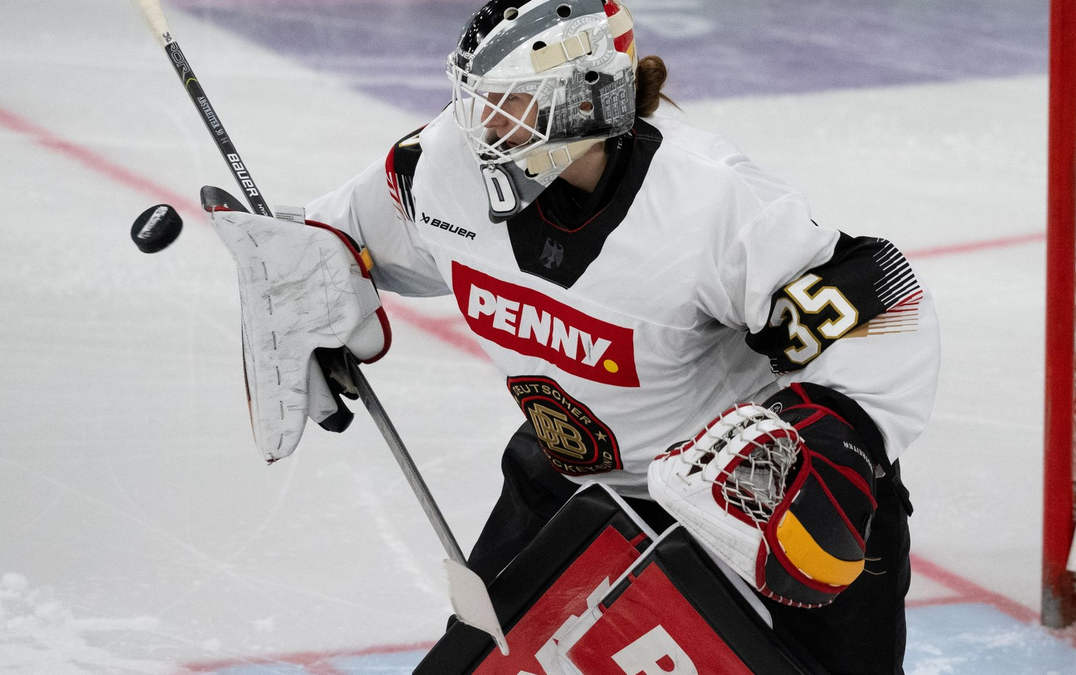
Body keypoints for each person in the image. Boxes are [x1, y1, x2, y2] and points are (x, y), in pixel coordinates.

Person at [219, 0, 940, 672]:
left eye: (510, 101)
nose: (481, 125)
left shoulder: (707, 200)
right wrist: (310, 276)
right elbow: (347, 233)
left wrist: (839, 442)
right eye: (477, 99)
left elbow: (874, 301)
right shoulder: (442, 166)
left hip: (743, 508)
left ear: (586, 96)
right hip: (570, 492)